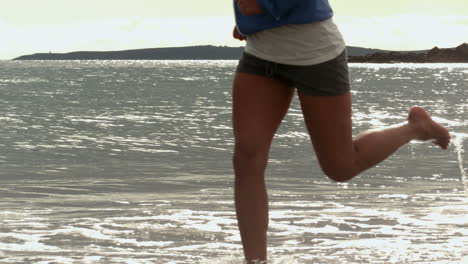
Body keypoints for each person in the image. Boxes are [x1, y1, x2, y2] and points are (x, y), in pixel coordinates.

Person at [231, 0, 451, 263]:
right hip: (260, 55)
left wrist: (260, 9)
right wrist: (250, 21)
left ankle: (416, 127)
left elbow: (253, 5)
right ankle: (255, 261)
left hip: (316, 54)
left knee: (341, 167)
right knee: (247, 159)